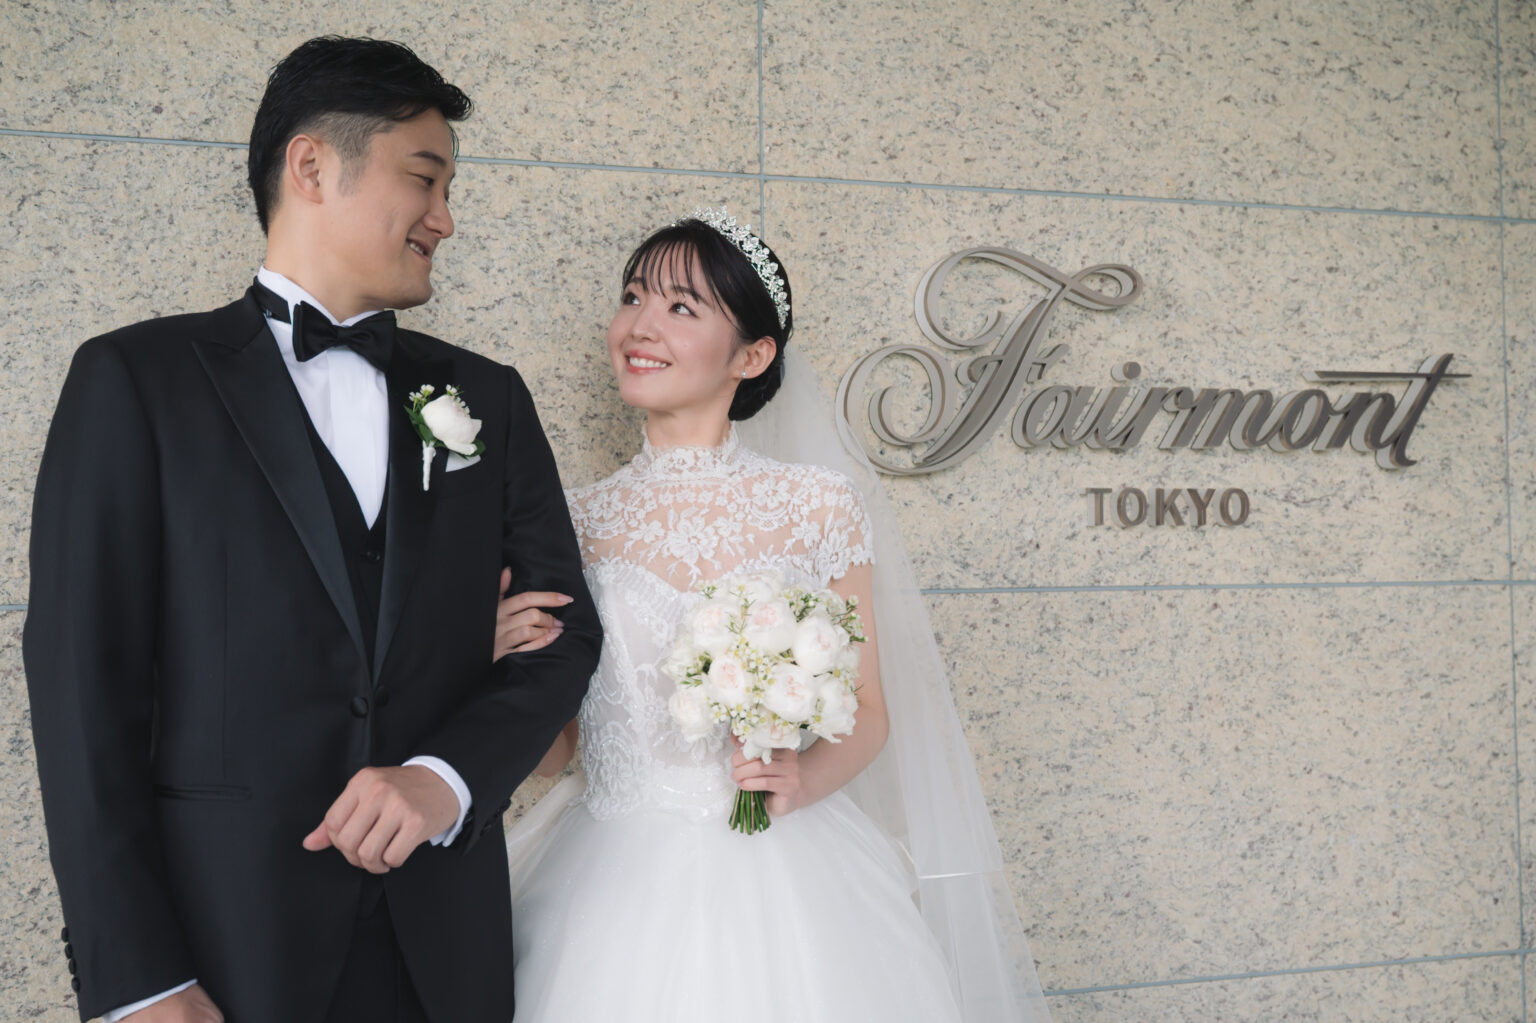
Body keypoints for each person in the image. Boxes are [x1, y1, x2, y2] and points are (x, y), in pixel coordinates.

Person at [23, 36, 600, 1023]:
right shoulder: (135, 383)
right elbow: (83, 693)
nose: (445, 218)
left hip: (443, 953)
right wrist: (139, 981)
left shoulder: (487, 399)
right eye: (425, 178)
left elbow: (565, 631)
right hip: (222, 951)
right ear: (312, 166)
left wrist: (446, 777)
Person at [495, 210, 1051, 1021]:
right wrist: (502, 658)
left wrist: (801, 778)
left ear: (751, 356)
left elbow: (867, 710)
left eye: (681, 307)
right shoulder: (571, 518)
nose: (640, 325)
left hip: (785, 870)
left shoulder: (817, 504)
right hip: (606, 872)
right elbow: (558, 752)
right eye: (633, 296)